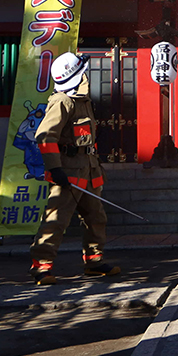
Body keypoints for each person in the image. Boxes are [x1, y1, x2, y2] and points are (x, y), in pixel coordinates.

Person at [28, 52, 120, 285]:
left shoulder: (83, 100)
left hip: (88, 169)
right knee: (56, 219)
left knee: (95, 217)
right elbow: (45, 136)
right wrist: (55, 168)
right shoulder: (62, 101)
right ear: (77, 75)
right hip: (68, 173)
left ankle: (94, 262)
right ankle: (42, 267)